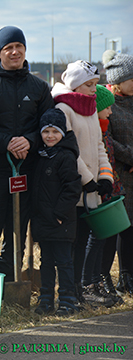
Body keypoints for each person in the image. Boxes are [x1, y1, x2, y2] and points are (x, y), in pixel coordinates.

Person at [0, 26, 54, 281]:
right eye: (8, 48)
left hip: (26, 172)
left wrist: (29, 140)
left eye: (19, 46)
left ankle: (8, 286)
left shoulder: (39, 87)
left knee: (16, 234)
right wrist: (6, 142)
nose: (15, 52)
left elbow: (49, 126)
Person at [51, 60, 114, 307]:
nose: (92, 89)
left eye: (95, 84)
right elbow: (69, 149)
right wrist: (87, 180)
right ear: (75, 85)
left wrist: (105, 177)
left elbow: (99, 146)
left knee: (86, 237)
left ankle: (79, 287)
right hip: (72, 188)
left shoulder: (90, 109)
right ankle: (68, 290)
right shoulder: (65, 109)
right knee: (73, 242)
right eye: (88, 84)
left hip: (91, 190)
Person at [31, 108, 82, 316]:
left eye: (54, 132)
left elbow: (72, 188)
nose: (50, 136)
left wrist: (60, 214)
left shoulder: (65, 157)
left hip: (61, 221)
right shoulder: (41, 156)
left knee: (63, 261)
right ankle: (45, 299)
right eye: (46, 132)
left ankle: (67, 299)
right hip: (43, 220)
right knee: (46, 261)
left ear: (62, 132)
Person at [104, 50, 133, 297]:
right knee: (121, 227)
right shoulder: (109, 105)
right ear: (118, 81)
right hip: (120, 174)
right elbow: (108, 140)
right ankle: (121, 276)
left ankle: (129, 275)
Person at [95, 84, 124, 305]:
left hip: (112, 187)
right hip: (99, 191)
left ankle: (104, 279)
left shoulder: (104, 127)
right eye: (107, 108)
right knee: (99, 239)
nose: (111, 112)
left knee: (111, 235)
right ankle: (97, 279)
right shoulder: (96, 129)